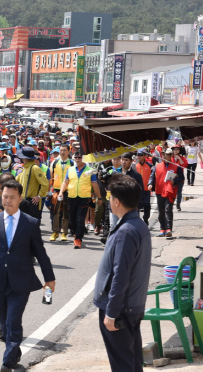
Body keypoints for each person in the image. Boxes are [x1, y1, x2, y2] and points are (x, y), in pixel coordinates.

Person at [0, 180, 55, 372]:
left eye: (12, 197)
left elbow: (40, 253)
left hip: (22, 281)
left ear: (19, 199)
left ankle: (7, 363)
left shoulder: (30, 223)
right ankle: (15, 352)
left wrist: (49, 279)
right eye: (4, 197)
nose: (7, 201)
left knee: (13, 321)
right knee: (4, 323)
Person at [93, 174, 151, 372]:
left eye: (110, 198)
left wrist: (111, 312)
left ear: (117, 201)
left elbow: (121, 276)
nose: (109, 201)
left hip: (121, 308)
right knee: (131, 361)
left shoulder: (126, 230)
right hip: (131, 306)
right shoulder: (137, 225)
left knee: (122, 364)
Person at [58, 150, 103, 249]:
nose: (78, 159)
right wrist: (61, 192)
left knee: (80, 219)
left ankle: (78, 239)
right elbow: (65, 182)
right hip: (72, 197)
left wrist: (99, 197)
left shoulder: (89, 170)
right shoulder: (70, 170)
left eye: (80, 157)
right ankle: (75, 233)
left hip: (84, 198)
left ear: (84, 158)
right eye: (76, 157)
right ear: (73, 158)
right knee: (72, 219)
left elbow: (95, 185)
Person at [148, 148, 184, 238]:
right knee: (161, 211)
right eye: (163, 155)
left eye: (166, 155)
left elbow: (182, 178)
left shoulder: (176, 166)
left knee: (168, 209)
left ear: (170, 156)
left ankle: (168, 229)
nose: (164, 156)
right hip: (159, 191)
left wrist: (174, 181)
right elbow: (152, 177)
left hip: (169, 191)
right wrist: (150, 184)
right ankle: (162, 229)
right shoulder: (157, 166)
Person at [14, 147, 49, 221]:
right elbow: (16, 180)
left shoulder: (34, 168)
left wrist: (39, 196)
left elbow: (45, 183)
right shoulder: (25, 168)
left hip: (32, 202)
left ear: (25, 158)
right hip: (24, 201)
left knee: (33, 226)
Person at [49, 144, 73, 242]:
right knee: (55, 211)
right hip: (56, 190)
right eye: (61, 150)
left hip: (68, 190)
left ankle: (64, 232)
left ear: (68, 151)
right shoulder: (54, 162)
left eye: (64, 150)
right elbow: (50, 177)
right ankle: (55, 232)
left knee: (66, 212)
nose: (62, 152)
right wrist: (49, 190)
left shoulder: (72, 163)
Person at [135, 149, 153, 226]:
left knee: (147, 205)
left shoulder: (150, 166)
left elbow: (153, 177)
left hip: (146, 190)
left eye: (140, 154)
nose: (138, 156)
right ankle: (137, 221)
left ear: (145, 156)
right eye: (137, 154)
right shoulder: (134, 166)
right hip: (137, 190)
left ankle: (146, 218)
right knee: (137, 206)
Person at [172, 145, 187, 211]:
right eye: (174, 149)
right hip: (172, 177)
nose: (176, 151)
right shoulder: (170, 158)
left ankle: (178, 204)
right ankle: (170, 204)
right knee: (171, 191)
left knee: (179, 192)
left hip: (180, 178)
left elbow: (184, 165)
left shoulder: (182, 158)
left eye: (177, 149)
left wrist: (179, 158)